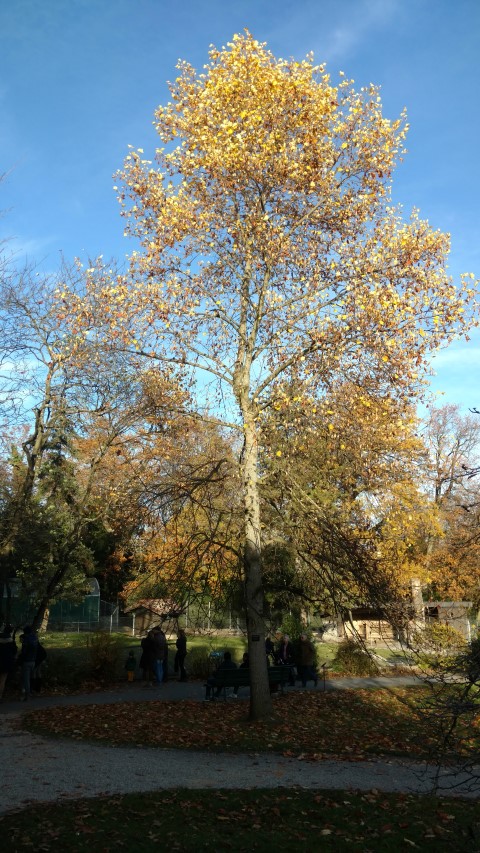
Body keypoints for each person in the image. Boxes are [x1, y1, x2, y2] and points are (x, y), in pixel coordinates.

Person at [18, 625, 39, 701]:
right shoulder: (35, 638)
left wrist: (20, 660)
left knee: (25, 679)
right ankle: (26, 692)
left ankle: (27, 694)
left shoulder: (26, 641)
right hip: (33, 661)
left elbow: (24, 652)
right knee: (28, 677)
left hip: (26, 661)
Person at [0, 624, 17, 701]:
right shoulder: (11, 641)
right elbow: (14, 652)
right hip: (6, 663)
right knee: (2, 680)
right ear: (10, 632)